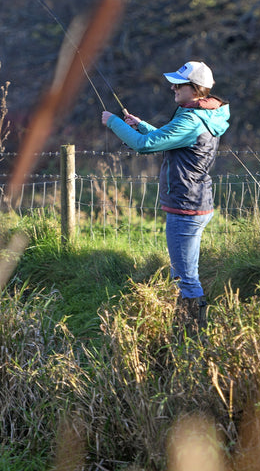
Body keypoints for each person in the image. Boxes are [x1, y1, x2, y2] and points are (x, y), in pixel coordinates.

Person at [101, 61, 230, 331]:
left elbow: (145, 145)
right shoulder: (201, 114)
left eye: (178, 84)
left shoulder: (191, 119)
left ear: (195, 89)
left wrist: (112, 122)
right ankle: (186, 331)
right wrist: (141, 124)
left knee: (185, 278)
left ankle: (191, 336)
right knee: (184, 274)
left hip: (186, 208)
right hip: (195, 204)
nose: (172, 87)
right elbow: (163, 137)